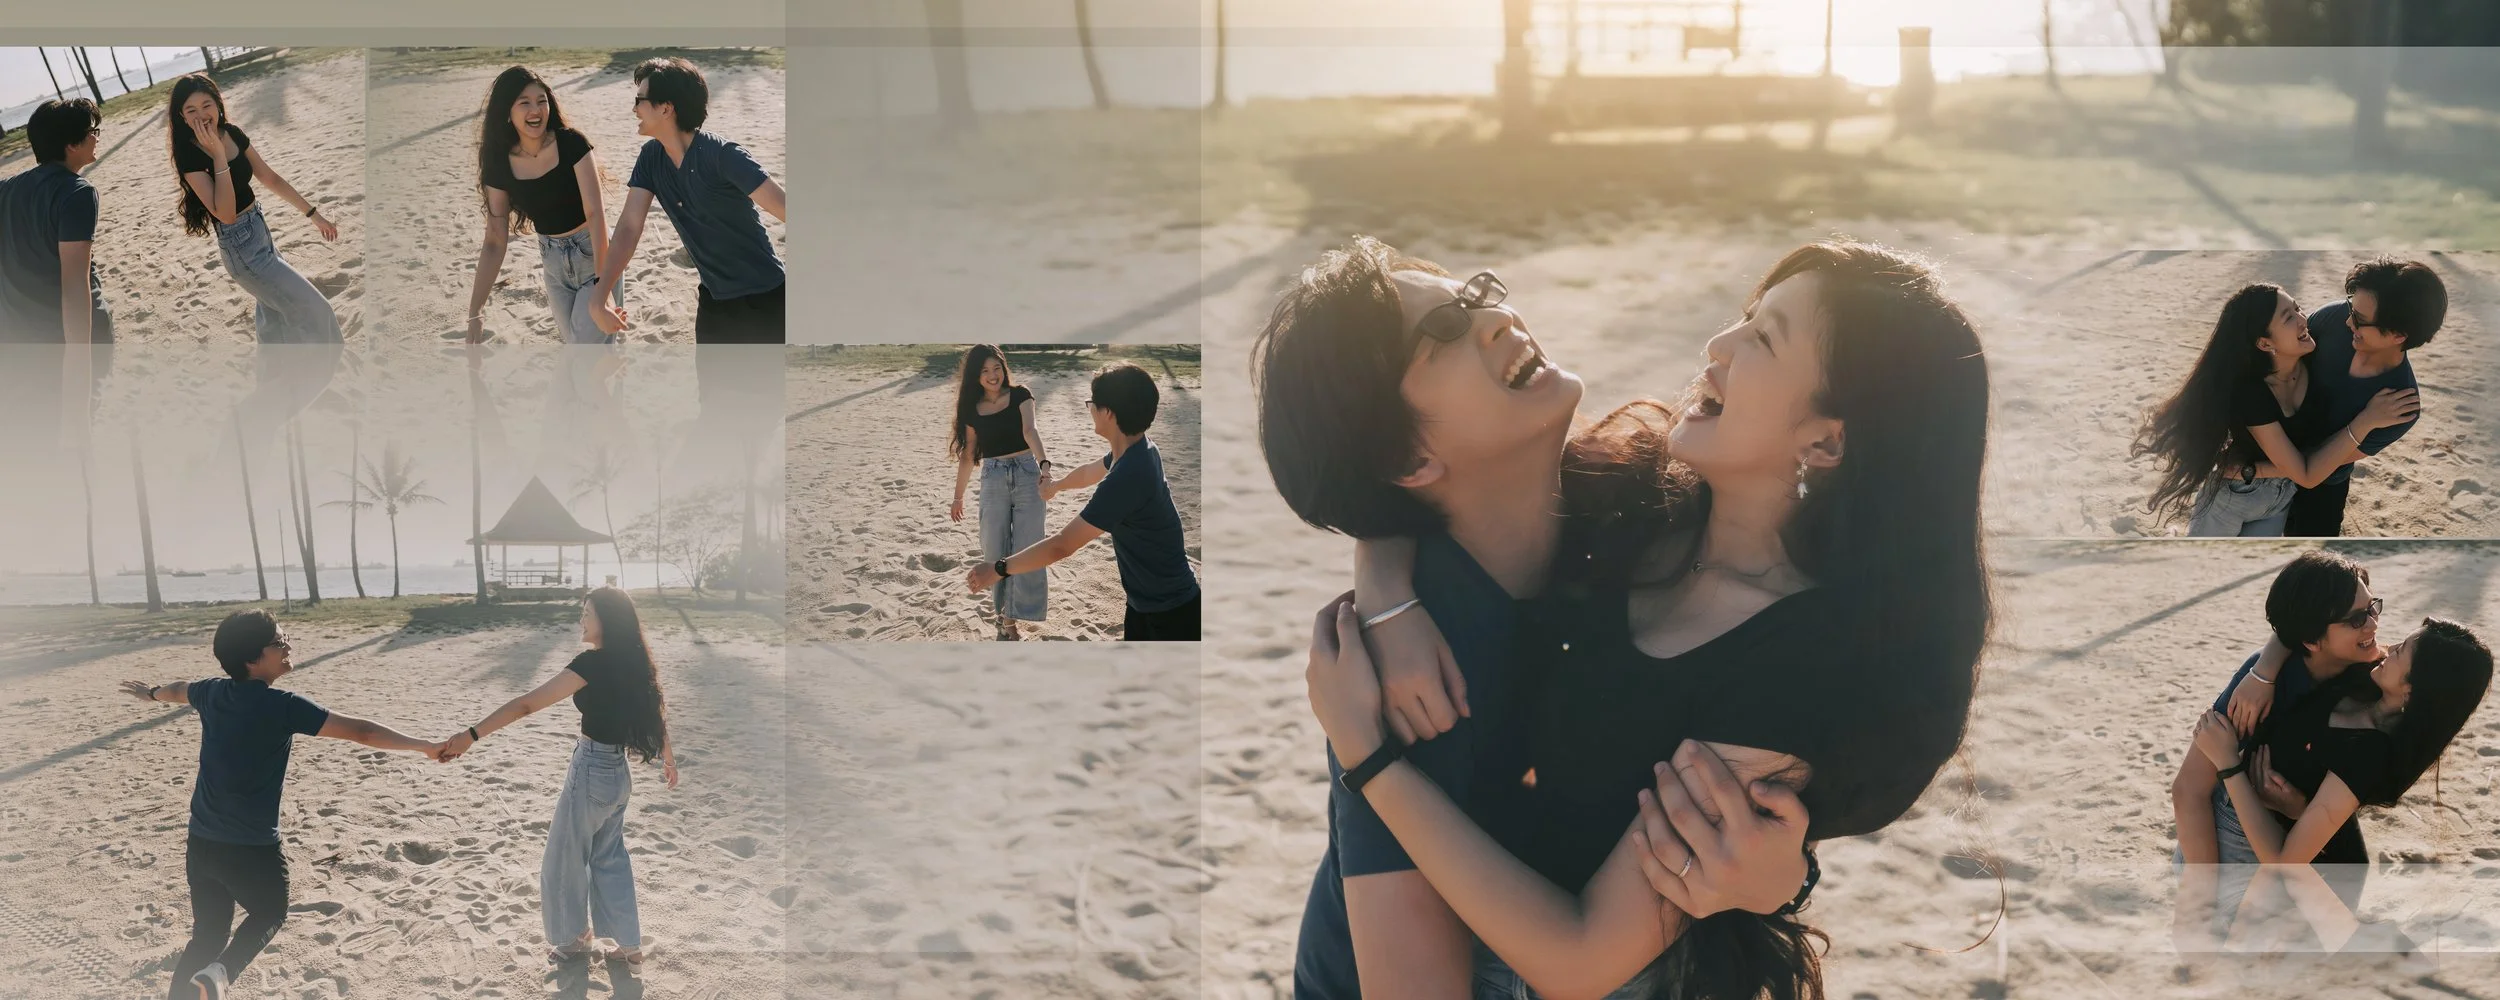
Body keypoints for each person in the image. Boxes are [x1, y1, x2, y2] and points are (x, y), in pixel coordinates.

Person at [1260, 238, 1991, 999]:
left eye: (1765, 337)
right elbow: (1387, 485)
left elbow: (1394, 475)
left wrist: (1785, 877)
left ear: (1827, 439)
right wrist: (1385, 601)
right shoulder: (1622, 513)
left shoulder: (1696, 570)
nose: (1718, 343)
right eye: (1444, 328)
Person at [116, 610, 443, 1000]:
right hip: (251, 848)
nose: (288, 645)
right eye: (279, 641)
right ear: (252, 659)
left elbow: (178, 689)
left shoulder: (211, 692)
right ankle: (219, 975)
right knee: (270, 913)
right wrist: (425, 746)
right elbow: (362, 731)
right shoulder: (282, 705)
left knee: (207, 935)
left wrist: (152, 693)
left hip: (201, 842)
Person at [2183, 607, 2490, 944]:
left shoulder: (2371, 752)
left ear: (2412, 690)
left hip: (2276, 860)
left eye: (2401, 650)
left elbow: (2286, 863)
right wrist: (2263, 674)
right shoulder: (2365, 674)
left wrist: (2229, 764)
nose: (2389, 648)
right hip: (2240, 826)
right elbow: (2301, 626)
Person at [435, 587, 678, 966]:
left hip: (592, 770)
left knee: (563, 858)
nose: (581, 619)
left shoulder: (592, 664)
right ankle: (629, 945)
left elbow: (526, 704)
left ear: (606, 620)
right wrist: (669, 758)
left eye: (587, 612)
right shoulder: (634, 661)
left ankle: (571, 940)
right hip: (618, 775)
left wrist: (472, 735)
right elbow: (654, 712)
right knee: (610, 857)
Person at [2134, 284, 2412, 536]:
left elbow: (2314, 464)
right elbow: (2306, 473)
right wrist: (2367, 420)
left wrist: (2254, 470)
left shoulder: (2314, 361)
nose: (2303, 319)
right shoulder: (2253, 392)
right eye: (2289, 318)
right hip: (2235, 496)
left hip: (2280, 499)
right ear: (2265, 343)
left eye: (2298, 308)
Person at [965, 363, 1200, 641]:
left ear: (1108, 413)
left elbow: (1062, 545)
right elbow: (1090, 472)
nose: (1090, 409)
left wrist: (997, 569)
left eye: (1092, 404)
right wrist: (1056, 486)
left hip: (1170, 613)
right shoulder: (1140, 448)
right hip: (1147, 603)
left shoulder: (1127, 477)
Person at [587, 57, 786, 344]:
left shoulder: (723, 156)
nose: (634, 109)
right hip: (714, 301)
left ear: (665, 108)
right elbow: (629, 227)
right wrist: (600, 294)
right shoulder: (651, 158)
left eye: (640, 100)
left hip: (766, 299)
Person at [169, 73, 341, 345]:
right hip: (241, 248)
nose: (201, 115)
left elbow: (270, 178)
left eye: (206, 105)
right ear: (182, 116)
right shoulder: (188, 154)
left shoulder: (232, 133)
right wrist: (218, 155)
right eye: (191, 110)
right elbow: (225, 214)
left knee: (274, 326)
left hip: (260, 233)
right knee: (316, 311)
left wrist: (313, 215)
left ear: (218, 104)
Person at [2282, 258, 2439, 536]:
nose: (2348, 321)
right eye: (2351, 308)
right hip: (2263, 456)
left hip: (2322, 487)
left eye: (2359, 319)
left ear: (2398, 335)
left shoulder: (2400, 405)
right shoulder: (2332, 319)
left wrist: (2366, 421)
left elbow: (2319, 462)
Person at [0, 98, 113, 451]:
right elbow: (75, 287)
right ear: (71, 144)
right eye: (92, 131)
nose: (97, 137)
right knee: (77, 432)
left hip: (19, 340)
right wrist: (79, 366)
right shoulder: (77, 193)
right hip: (69, 338)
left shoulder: (5, 189)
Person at [947, 344, 1052, 639]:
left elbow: (1030, 431)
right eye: (985, 370)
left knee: (1028, 546)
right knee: (994, 549)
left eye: (997, 368)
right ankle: (1003, 617)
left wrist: (1044, 466)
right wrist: (957, 497)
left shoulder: (1021, 395)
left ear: (1004, 368)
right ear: (976, 375)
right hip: (993, 477)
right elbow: (969, 455)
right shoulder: (972, 409)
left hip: (1027, 473)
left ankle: (1011, 619)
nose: (992, 375)